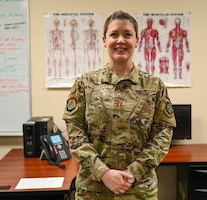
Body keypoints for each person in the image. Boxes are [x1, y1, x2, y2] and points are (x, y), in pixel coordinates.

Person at [63, 10, 176, 200]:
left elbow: (163, 134)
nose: (120, 40)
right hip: (94, 191)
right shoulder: (85, 83)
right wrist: (104, 173)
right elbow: (75, 131)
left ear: (137, 41)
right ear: (104, 40)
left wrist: (133, 173)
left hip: (139, 191)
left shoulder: (154, 86)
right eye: (114, 34)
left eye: (127, 34)